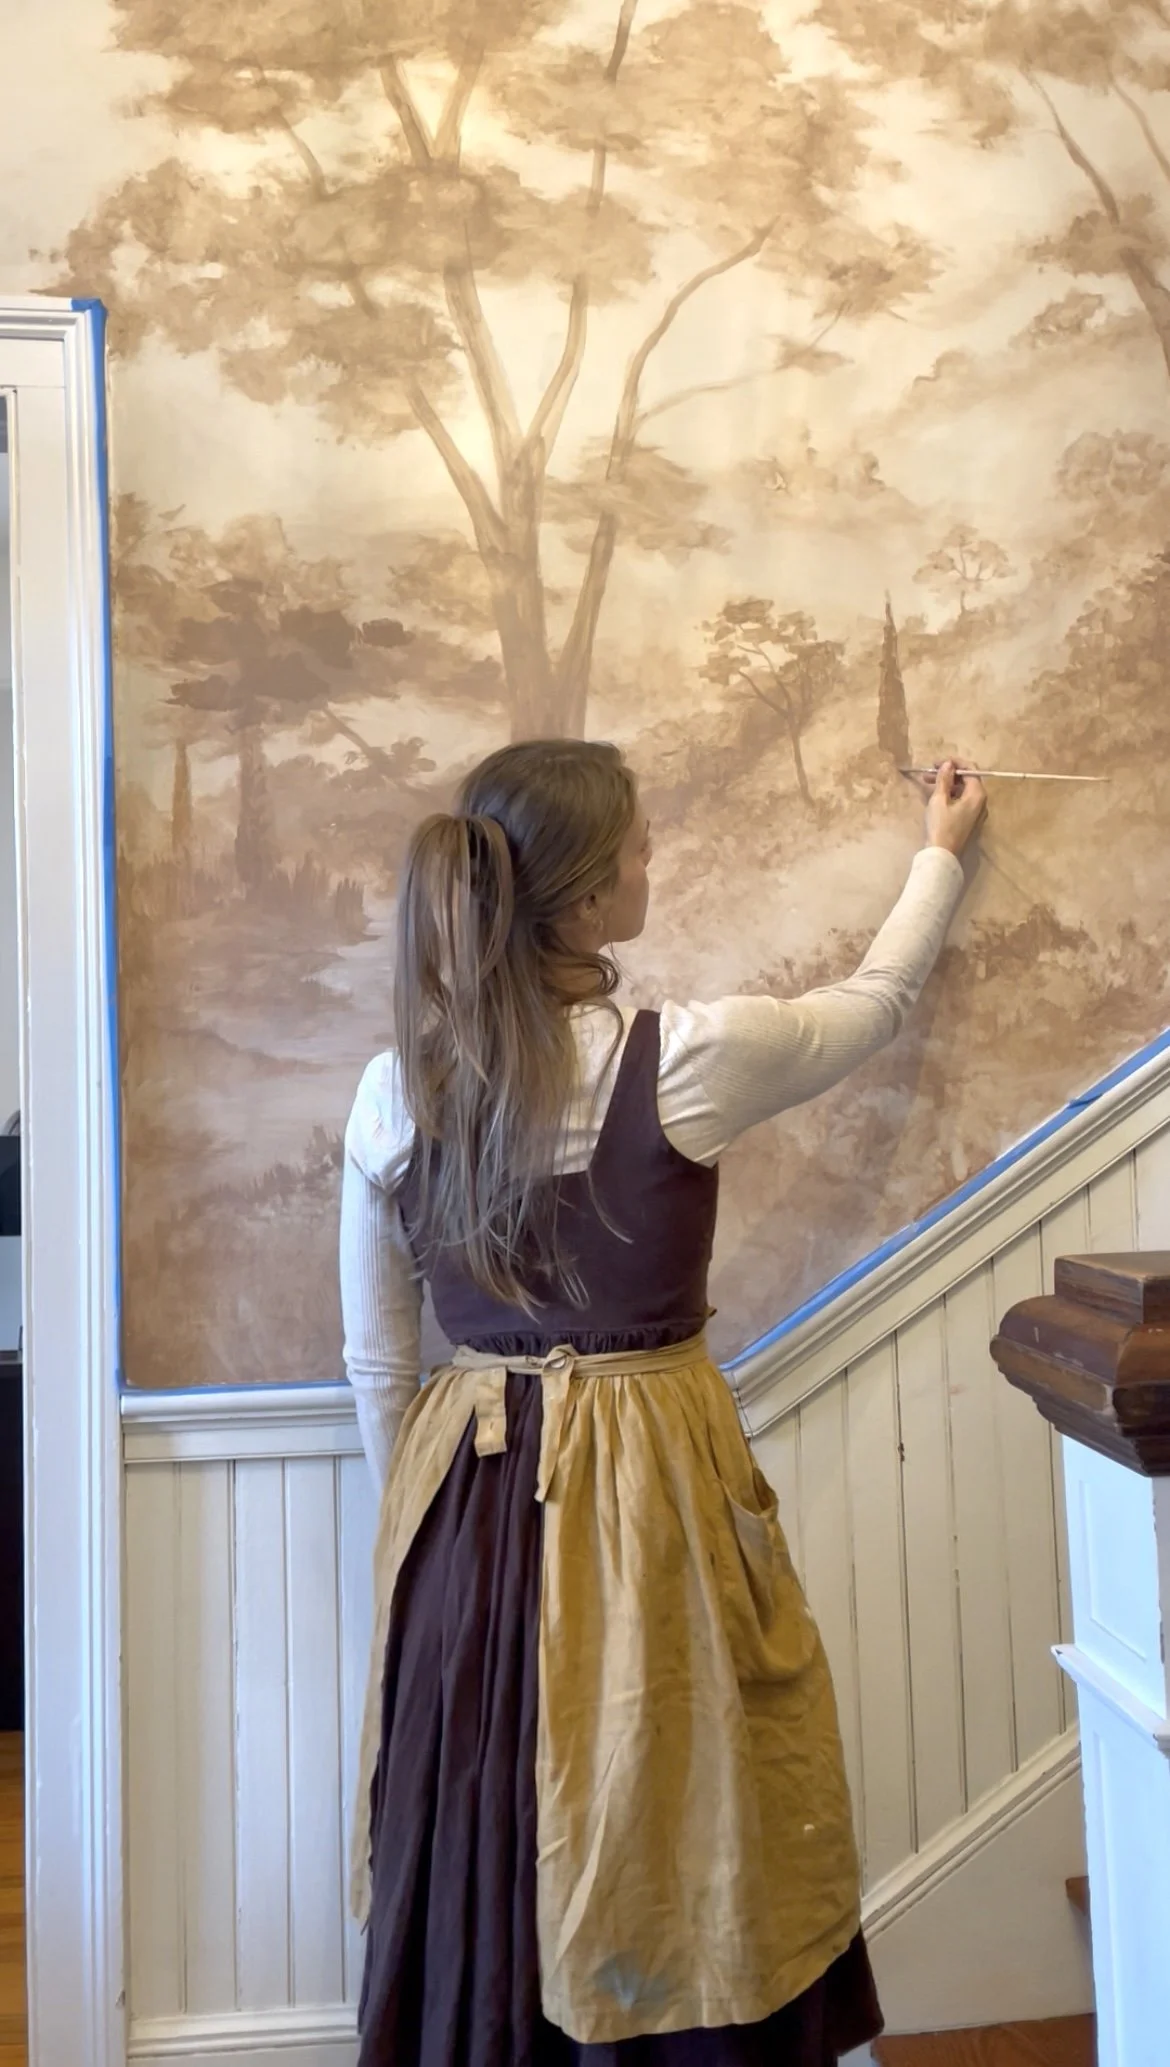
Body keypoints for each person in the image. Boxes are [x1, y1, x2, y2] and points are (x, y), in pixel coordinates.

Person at [340, 741, 986, 2067]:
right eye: (635, 847)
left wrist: (430, 1523)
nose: (652, 861)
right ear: (580, 898)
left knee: (484, 1806)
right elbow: (872, 1002)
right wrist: (940, 851)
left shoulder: (394, 1084)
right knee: (677, 1800)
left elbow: (375, 1359)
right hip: (651, 1496)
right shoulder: (688, 1056)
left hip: (461, 1503)